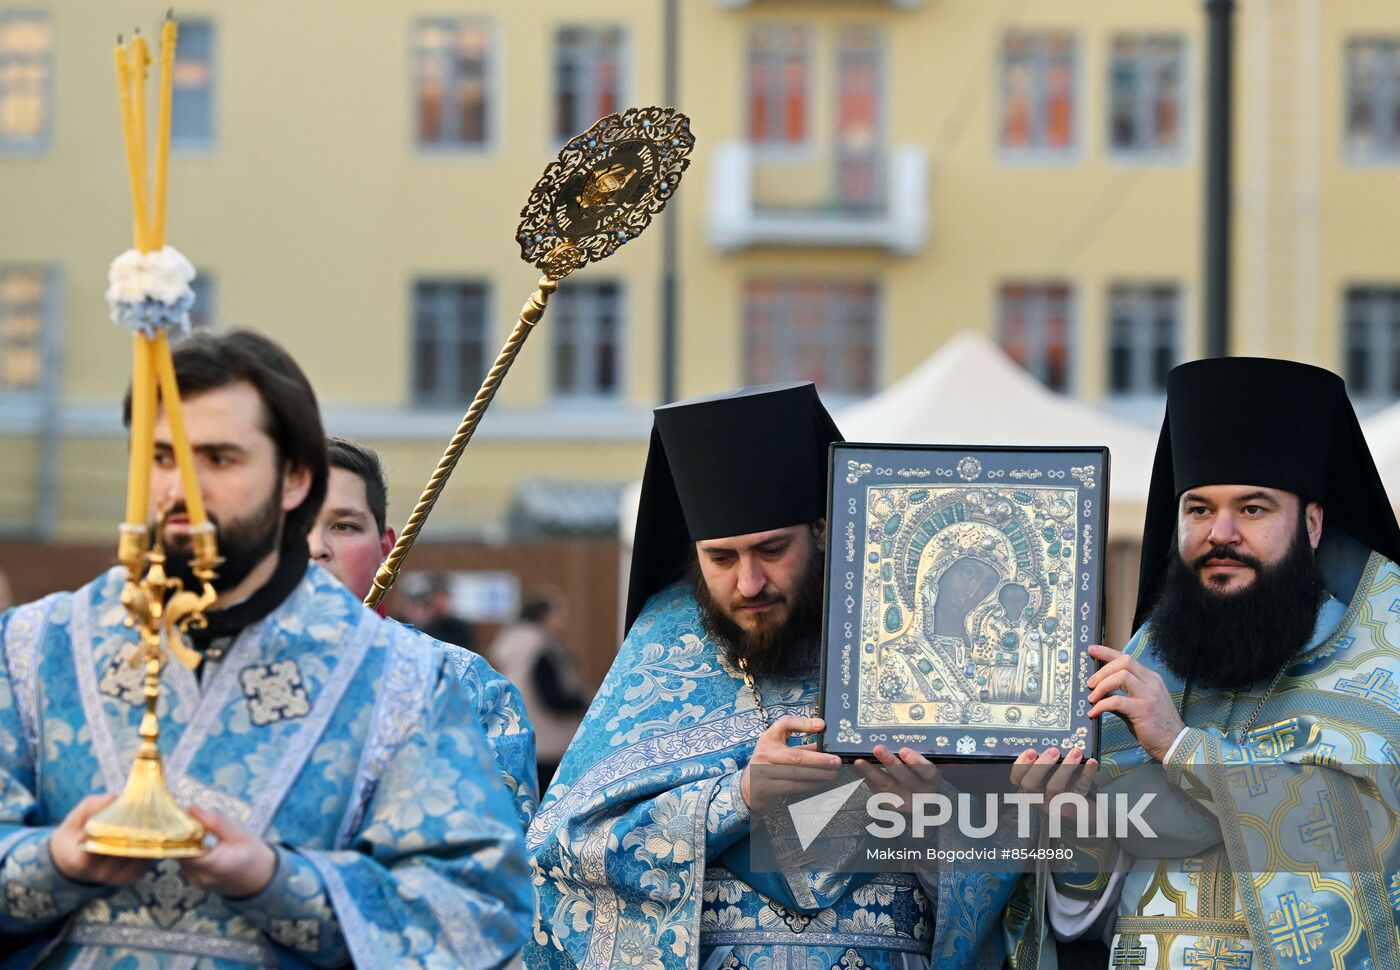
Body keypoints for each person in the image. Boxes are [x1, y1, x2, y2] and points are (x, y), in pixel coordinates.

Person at [0, 329, 532, 968]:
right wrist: (54, 860)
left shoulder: (400, 679)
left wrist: (278, 883)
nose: (180, 492)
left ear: (293, 480)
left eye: (219, 460)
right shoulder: (33, 649)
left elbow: (477, 913)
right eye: (163, 457)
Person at [525, 382, 1015, 970]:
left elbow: (1016, 864)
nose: (749, 583)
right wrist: (739, 798)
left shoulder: (913, 647)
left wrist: (931, 818)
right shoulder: (659, 653)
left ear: (824, 530)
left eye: (772, 549)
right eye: (722, 559)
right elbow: (563, 848)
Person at [1007, 357, 1400, 968]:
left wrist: (1182, 748)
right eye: (1198, 509)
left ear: (1313, 524)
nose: (1221, 533)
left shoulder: (1379, 661)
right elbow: (1076, 914)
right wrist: (1070, 820)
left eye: (1253, 509)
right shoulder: (1144, 666)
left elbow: (1368, 835)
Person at [311, 435, 538, 826]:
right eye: (292, 524)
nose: (317, 547)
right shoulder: (205, 670)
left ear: (387, 549)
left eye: (344, 526)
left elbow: (494, 852)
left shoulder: (468, 688)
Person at [488, 587, 588, 793]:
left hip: (518, 731)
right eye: (558, 613)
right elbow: (551, 695)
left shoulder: (511, 641)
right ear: (545, 615)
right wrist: (585, 702)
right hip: (547, 737)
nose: (563, 619)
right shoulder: (540, 646)